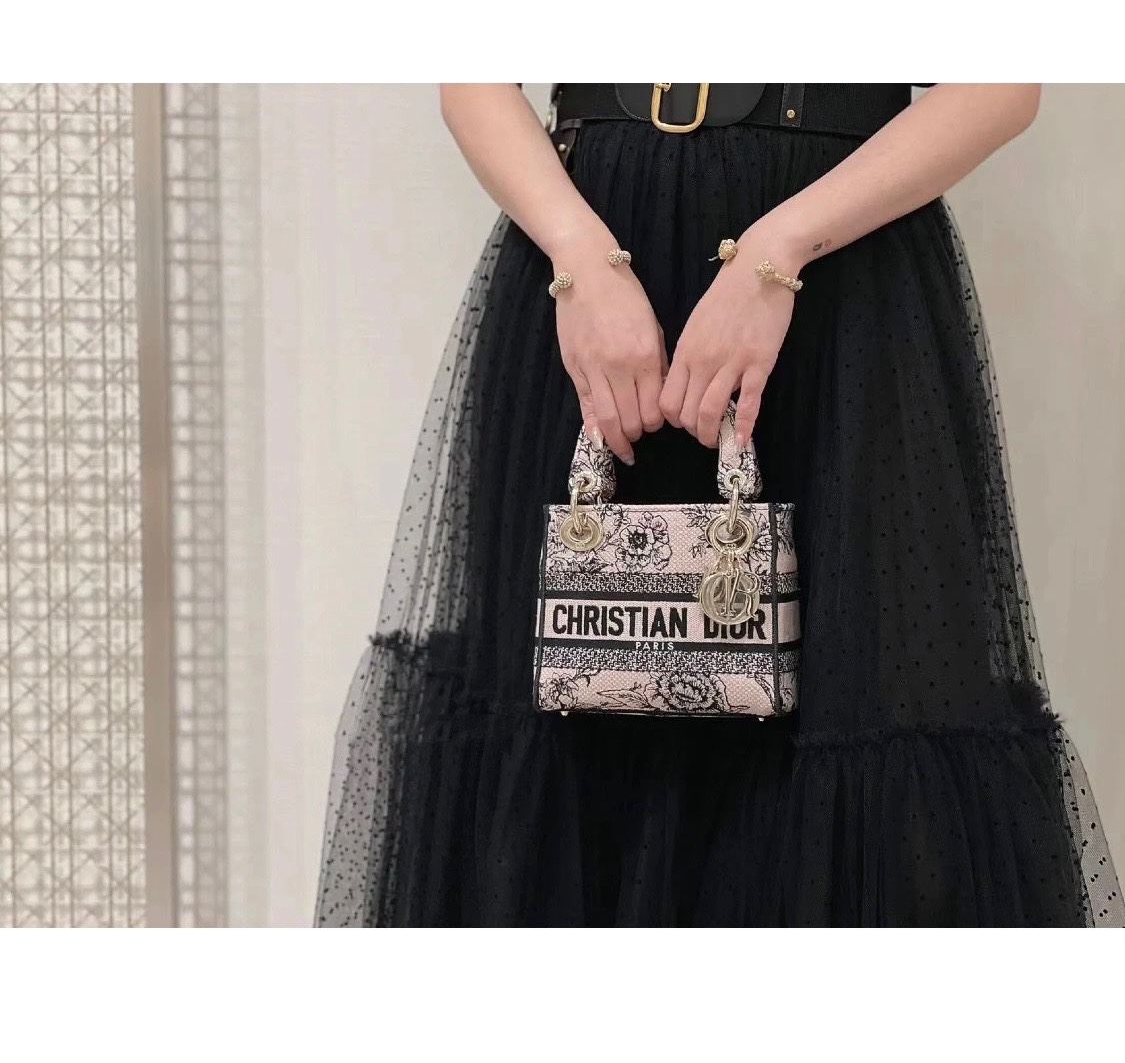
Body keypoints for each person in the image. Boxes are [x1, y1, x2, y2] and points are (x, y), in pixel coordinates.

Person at [315, 83, 1122, 926]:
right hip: (588, 279)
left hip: (842, 288)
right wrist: (578, 257)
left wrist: (776, 253)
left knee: (868, 723)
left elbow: (999, 86)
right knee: (574, 738)